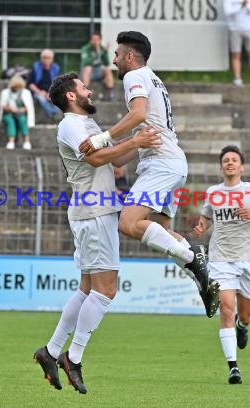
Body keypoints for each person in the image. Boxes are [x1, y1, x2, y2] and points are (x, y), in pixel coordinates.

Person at [33, 72, 162, 394]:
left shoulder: (86, 125)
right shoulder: (71, 125)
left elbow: (113, 160)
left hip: (92, 210)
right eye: (83, 88)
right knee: (106, 291)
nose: (90, 91)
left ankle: (50, 351)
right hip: (94, 212)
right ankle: (72, 357)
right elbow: (94, 159)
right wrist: (134, 141)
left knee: (88, 289)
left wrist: (146, 143)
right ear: (72, 96)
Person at [77, 31, 220, 318]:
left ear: (130, 56)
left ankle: (195, 258)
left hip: (161, 164)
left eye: (117, 55)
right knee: (163, 233)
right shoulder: (154, 78)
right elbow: (147, 133)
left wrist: (101, 139)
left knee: (128, 223)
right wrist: (119, 154)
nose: (114, 60)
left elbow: (139, 114)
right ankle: (203, 281)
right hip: (171, 162)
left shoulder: (134, 77)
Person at [193, 145, 250, 385]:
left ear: (241, 167)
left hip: (249, 260)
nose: (229, 163)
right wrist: (202, 226)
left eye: (234, 160)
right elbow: (207, 217)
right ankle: (233, 367)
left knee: (245, 314)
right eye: (226, 160)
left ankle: (243, 326)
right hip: (221, 259)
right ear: (221, 167)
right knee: (225, 309)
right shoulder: (213, 192)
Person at [223, 0, 250, 87]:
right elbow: (227, 12)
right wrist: (240, 6)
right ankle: (237, 79)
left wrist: (246, 4)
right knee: (236, 54)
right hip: (234, 29)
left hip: (249, 28)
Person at [0, 75, 35, 150]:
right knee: (10, 121)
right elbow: (2, 107)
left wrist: (21, 110)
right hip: (8, 114)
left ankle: (26, 141)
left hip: (20, 114)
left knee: (22, 119)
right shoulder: (5, 93)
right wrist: (10, 109)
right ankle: (11, 141)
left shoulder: (26, 93)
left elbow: (28, 107)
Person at [81, 31, 115, 101]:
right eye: (93, 39)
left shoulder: (102, 49)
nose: (95, 41)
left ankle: (110, 93)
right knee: (88, 68)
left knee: (107, 70)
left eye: (97, 40)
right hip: (87, 73)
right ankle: (86, 93)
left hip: (98, 72)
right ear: (91, 40)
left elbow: (106, 63)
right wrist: (97, 53)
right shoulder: (86, 48)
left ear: (100, 40)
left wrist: (104, 52)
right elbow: (86, 62)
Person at [28, 49, 62, 119]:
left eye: (49, 57)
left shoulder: (56, 68)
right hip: (38, 91)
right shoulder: (36, 67)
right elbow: (30, 83)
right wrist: (39, 92)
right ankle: (53, 113)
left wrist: (51, 92)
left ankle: (55, 113)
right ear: (41, 58)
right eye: (44, 57)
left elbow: (59, 83)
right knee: (41, 98)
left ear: (52, 59)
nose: (46, 59)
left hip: (52, 91)